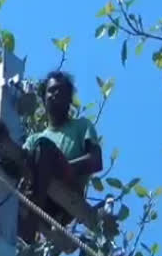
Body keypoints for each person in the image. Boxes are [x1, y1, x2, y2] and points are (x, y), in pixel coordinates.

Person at [17, 71, 103, 246]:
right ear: (43, 98)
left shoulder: (81, 126)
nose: (56, 94)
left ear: (69, 99)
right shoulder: (34, 138)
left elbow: (95, 160)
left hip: (67, 195)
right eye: (52, 90)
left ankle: (29, 227)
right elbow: (19, 162)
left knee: (44, 147)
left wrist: (59, 169)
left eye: (61, 91)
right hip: (39, 197)